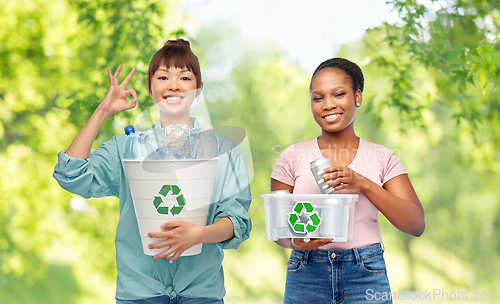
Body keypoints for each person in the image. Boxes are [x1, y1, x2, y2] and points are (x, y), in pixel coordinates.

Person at [53, 39, 252, 304]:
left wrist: (198, 234)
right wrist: (103, 111)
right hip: (140, 293)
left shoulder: (223, 150)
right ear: (150, 87)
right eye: (162, 77)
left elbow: (237, 221)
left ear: (199, 89)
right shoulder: (128, 148)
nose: (173, 85)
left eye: (184, 77)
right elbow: (71, 173)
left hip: (200, 293)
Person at [271, 58, 425, 303]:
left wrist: (363, 184)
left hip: (366, 273)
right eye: (317, 98)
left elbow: (415, 225)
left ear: (358, 97)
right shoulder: (291, 157)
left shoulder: (382, 157)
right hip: (306, 273)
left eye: (339, 94)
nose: (328, 105)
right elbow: (278, 230)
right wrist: (294, 241)